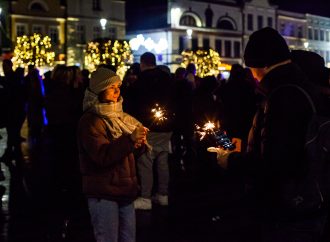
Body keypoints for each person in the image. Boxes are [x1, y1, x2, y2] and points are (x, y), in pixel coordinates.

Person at [208, 27, 327, 242]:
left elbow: (277, 163)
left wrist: (231, 160)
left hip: (289, 208)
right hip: (308, 201)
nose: (252, 76)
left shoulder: (283, 95)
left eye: (252, 68)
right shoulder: (299, 86)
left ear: (261, 65)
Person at [77, 67, 148, 242]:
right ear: (99, 90)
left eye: (118, 86)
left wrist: (139, 144)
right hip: (104, 192)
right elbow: (102, 155)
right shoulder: (91, 120)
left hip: (125, 191)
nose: (117, 91)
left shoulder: (121, 117)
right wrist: (130, 140)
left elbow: (129, 154)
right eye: (111, 87)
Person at [128, 52, 174, 210]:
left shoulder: (141, 80)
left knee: (145, 161)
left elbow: (134, 104)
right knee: (162, 160)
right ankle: (163, 195)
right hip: (167, 126)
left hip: (150, 126)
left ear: (142, 64)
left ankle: (145, 197)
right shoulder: (167, 78)